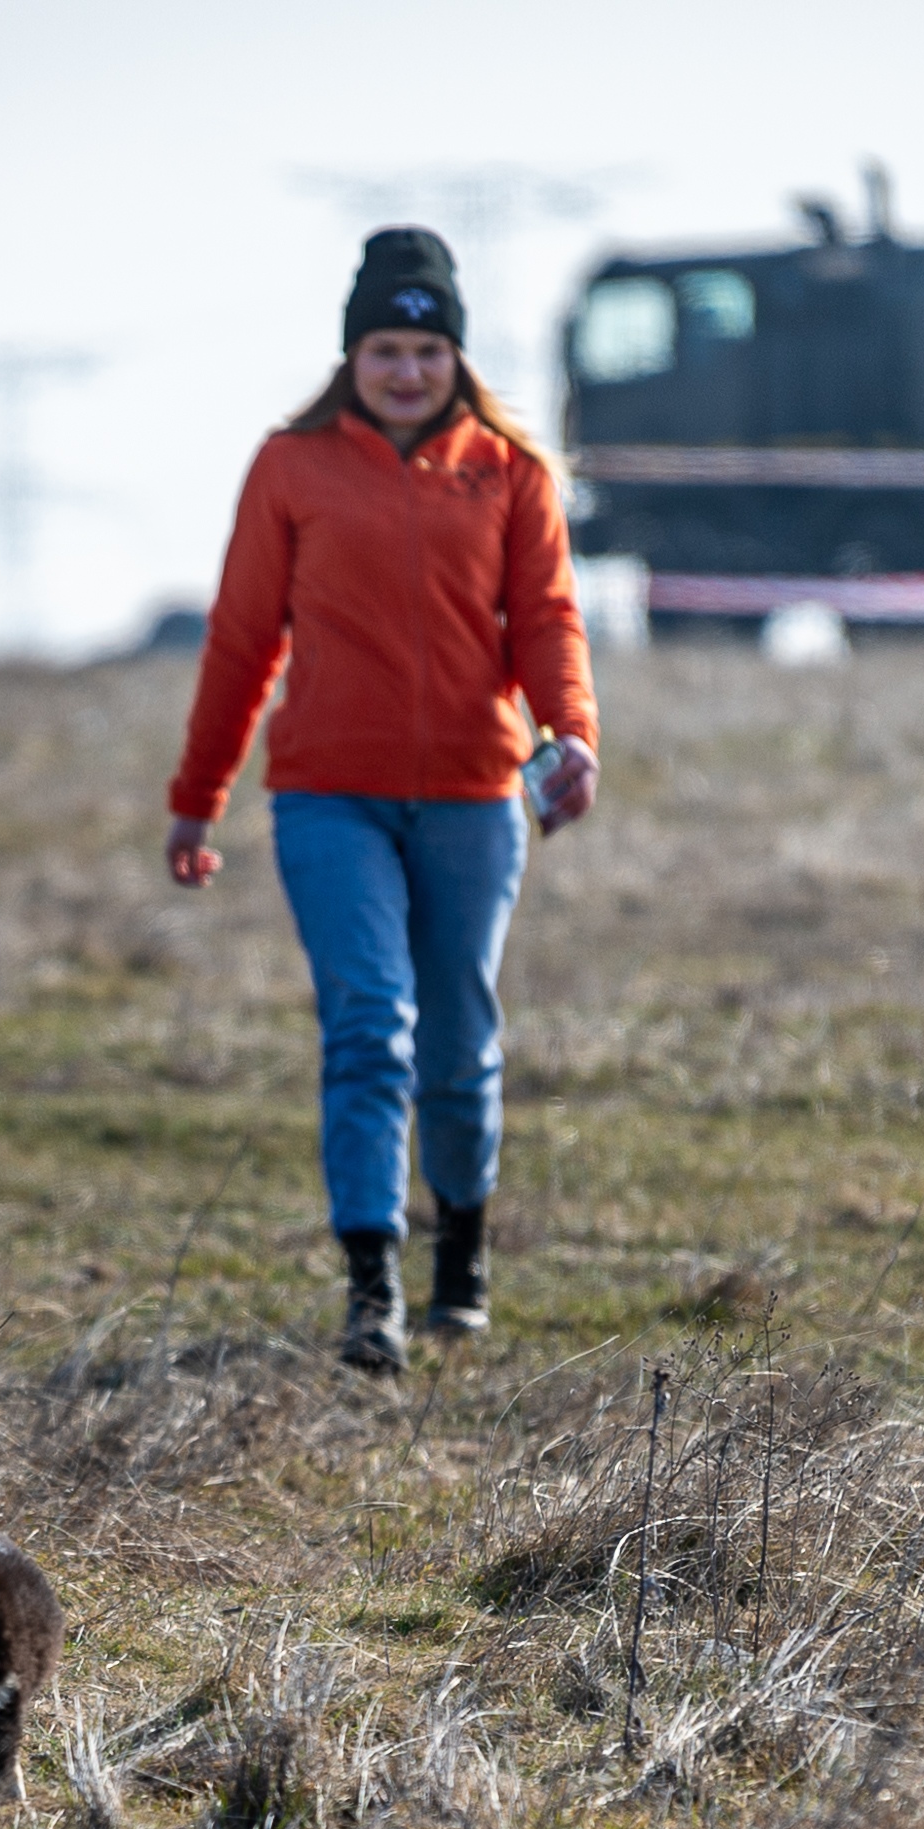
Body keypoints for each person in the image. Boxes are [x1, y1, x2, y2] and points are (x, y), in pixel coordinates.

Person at [167, 226, 600, 1374]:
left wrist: (571, 732)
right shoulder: (290, 468)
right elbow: (243, 639)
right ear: (351, 356)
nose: (406, 370)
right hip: (327, 796)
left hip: (471, 793)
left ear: (455, 356)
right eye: (385, 348)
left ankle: (460, 1251)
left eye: (426, 348)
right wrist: (198, 797)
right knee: (369, 1028)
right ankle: (372, 1291)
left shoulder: (511, 475)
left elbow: (549, 620)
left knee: (458, 1043)